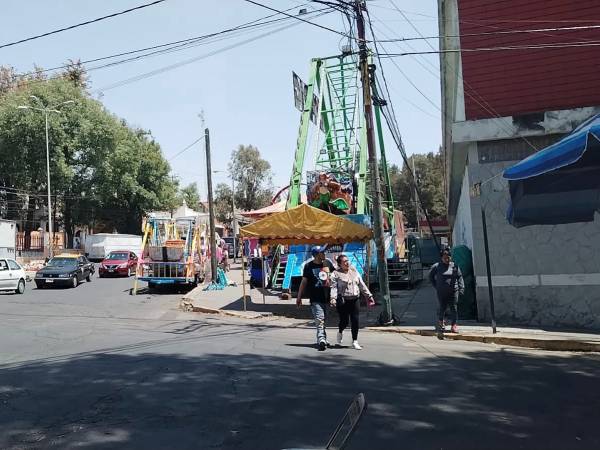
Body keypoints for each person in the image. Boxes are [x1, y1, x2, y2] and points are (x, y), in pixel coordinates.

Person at [330, 255, 374, 350]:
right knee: (344, 321)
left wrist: (369, 296)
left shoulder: (354, 271)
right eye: (344, 261)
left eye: (347, 260)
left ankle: (355, 341)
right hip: (343, 301)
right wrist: (333, 298)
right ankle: (340, 331)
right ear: (340, 264)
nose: (347, 263)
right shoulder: (335, 274)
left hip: (355, 299)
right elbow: (333, 287)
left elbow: (362, 284)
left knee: (355, 320)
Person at [296, 246, 335, 351]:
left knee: (324, 320)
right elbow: (304, 282)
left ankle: (323, 339)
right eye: (322, 252)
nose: (324, 254)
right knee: (320, 319)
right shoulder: (308, 266)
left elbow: (335, 276)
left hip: (326, 297)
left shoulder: (327, 263)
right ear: (317, 254)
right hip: (315, 298)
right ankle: (321, 340)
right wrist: (299, 297)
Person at [428, 248, 465, 333]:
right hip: (442, 292)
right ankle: (441, 322)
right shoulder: (437, 266)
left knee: (454, 308)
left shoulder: (455, 266)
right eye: (445, 258)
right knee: (442, 308)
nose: (447, 259)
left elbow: (460, 277)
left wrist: (461, 288)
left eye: (448, 257)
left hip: (453, 291)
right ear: (441, 258)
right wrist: (436, 285)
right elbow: (430, 277)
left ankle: (454, 325)